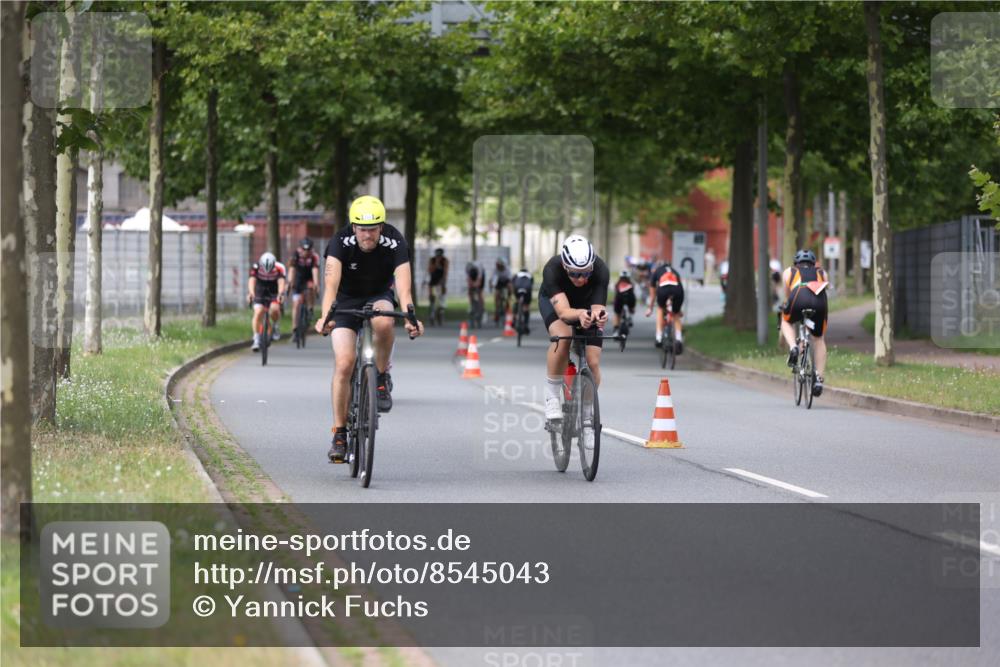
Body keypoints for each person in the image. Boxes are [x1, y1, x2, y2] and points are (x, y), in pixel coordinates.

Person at [316, 195, 424, 463]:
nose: (367, 235)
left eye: (373, 229)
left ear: (381, 226)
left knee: (385, 322)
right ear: (353, 227)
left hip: (378, 294)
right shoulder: (339, 242)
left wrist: (411, 317)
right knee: (344, 363)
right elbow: (330, 286)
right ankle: (339, 434)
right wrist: (325, 317)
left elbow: (404, 288)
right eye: (362, 229)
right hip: (345, 299)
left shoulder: (395, 241)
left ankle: (380, 375)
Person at [539, 234, 610, 449]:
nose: (581, 279)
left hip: (586, 305)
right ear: (564, 265)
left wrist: (599, 315)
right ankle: (552, 396)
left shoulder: (600, 269)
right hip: (557, 304)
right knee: (564, 336)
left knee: (593, 361)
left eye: (586, 273)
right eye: (575, 274)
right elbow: (562, 311)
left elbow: (597, 307)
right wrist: (579, 314)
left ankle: (588, 417)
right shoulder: (552, 269)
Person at [780, 249, 829, 396]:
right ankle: (819, 379)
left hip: (798, 296)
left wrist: (786, 307)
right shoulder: (822, 272)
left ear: (796, 262)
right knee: (819, 339)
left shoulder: (789, 271)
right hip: (819, 301)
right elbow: (825, 290)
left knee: (785, 321)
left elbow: (787, 296)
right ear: (814, 263)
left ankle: (794, 347)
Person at [248, 252, 287, 351]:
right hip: (260, 290)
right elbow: (252, 280)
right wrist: (251, 293)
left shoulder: (280, 267)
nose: (267, 271)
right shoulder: (256, 266)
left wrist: (280, 294)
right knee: (258, 312)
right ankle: (256, 339)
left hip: (274, 290)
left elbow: (281, 283)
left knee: (274, 309)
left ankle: (275, 325)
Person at [646, 260, 685, 352]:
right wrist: (679, 309)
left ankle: (659, 337)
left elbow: (652, 294)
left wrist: (650, 308)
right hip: (678, 291)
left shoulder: (657, 271)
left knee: (660, 308)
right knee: (676, 314)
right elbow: (680, 288)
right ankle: (679, 339)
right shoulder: (675, 271)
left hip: (664, 289)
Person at [287, 237, 321, 337]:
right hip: (298, 278)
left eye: (308, 250)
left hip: (308, 278)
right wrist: (289, 283)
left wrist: (316, 284)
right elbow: (292, 270)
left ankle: (310, 308)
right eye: (304, 249)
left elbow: (315, 271)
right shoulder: (295, 255)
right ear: (300, 248)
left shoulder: (314, 256)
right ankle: (294, 328)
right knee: (296, 304)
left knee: (311, 287)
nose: (306, 252)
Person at [512, 267, 534, 334]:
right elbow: (531, 285)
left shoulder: (516, 275)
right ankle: (526, 324)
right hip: (527, 291)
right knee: (526, 306)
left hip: (517, 289)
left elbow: (512, 283)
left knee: (517, 301)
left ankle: (515, 318)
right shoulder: (530, 276)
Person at [491, 257, 513, 325]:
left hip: (506, 282)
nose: (499, 267)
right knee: (496, 295)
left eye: (500, 266)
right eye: (498, 265)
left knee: (509, 288)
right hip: (498, 283)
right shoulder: (495, 270)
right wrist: (492, 285)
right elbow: (493, 282)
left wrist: (510, 289)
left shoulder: (507, 270)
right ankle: (497, 309)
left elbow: (510, 280)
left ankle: (508, 301)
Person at [427, 247, 449, 315]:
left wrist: (444, 280)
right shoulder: (432, 260)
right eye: (437, 256)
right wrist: (436, 263)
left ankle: (441, 306)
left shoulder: (445, 260)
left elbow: (445, 271)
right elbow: (429, 270)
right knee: (431, 292)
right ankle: (432, 304)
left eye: (440, 256)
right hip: (433, 278)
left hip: (441, 278)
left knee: (442, 291)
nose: (438, 257)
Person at [466, 259, 485, 324]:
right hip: (472, 275)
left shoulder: (479, 268)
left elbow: (479, 280)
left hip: (480, 276)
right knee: (470, 289)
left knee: (479, 290)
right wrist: (471, 285)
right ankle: (471, 304)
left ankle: (481, 307)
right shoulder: (468, 268)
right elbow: (468, 279)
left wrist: (476, 285)